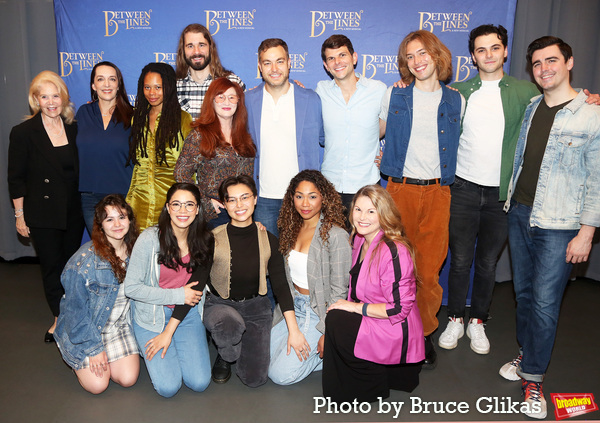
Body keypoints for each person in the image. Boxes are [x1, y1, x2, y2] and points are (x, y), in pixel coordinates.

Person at [440, 25, 600, 356]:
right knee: (459, 261)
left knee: (487, 264)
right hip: (464, 189)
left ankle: (478, 321)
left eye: (494, 48)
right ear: (472, 56)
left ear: (505, 51)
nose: (488, 55)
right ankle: (455, 317)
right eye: (481, 50)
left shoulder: (528, 91)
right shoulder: (456, 92)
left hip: (503, 195)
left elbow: (566, 101)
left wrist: (591, 98)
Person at [499, 36, 600, 419]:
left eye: (552, 60)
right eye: (538, 62)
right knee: (524, 297)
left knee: (544, 305)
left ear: (570, 62)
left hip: (560, 225)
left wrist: (587, 232)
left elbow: (597, 179)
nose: (544, 68)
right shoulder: (531, 107)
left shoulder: (591, 114)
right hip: (520, 213)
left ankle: (534, 380)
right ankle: (527, 355)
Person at [379, 30, 464, 369]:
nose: (417, 61)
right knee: (394, 269)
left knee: (428, 271)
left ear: (436, 55)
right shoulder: (394, 95)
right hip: (398, 190)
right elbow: (375, 131)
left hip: (439, 192)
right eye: (410, 57)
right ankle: (392, 331)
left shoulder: (457, 99)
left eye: (422, 53)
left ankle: (424, 333)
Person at [203, 175, 308, 387]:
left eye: (245, 198)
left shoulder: (269, 239)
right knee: (229, 325)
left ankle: (238, 343)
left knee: (255, 379)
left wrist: (294, 329)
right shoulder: (213, 237)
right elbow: (198, 278)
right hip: (221, 305)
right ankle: (226, 352)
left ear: (255, 199)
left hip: (256, 307)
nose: (239, 205)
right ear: (224, 204)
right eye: (232, 200)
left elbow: (281, 286)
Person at [323, 184, 425, 402]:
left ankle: (371, 387)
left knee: (337, 319)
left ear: (384, 214)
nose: (362, 217)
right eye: (358, 209)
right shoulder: (359, 240)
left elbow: (398, 308)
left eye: (371, 211)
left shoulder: (394, 250)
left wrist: (353, 307)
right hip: (376, 316)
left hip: (393, 325)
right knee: (336, 315)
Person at [8, 70, 85, 342]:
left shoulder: (74, 128)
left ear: (64, 99)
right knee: (52, 266)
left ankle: (75, 312)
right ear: (35, 100)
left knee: (72, 265)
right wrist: (20, 215)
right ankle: (58, 317)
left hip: (73, 211)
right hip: (43, 212)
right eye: (44, 96)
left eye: (56, 95)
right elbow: (16, 179)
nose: (51, 102)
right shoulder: (23, 133)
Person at [124, 183, 212, 398]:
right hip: (151, 315)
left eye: (189, 205)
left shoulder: (206, 240)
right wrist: (176, 295)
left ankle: (173, 342)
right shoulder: (149, 239)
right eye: (177, 204)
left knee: (199, 382)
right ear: (168, 208)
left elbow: (195, 291)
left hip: (186, 313)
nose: (183, 211)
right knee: (168, 388)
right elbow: (131, 287)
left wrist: (168, 332)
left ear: (197, 209)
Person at [269, 170, 351, 385]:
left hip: (318, 313)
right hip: (293, 306)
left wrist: (327, 332)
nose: (305, 203)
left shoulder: (336, 235)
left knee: (280, 376)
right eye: (299, 196)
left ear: (324, 198)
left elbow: (339, 292)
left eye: (312, 196)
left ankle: (336, 353)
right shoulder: (290, 228)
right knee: (262, 359)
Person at [54, 194, 140, 394]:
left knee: (128, 379)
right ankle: (72, 350)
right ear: (100, 225)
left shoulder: (137, 252)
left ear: (130, 220)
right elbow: (75, 314)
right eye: (109, 219)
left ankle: (109, 356)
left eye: (122, 217)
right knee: (98, 385)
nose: (117, 224)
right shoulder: (82, 263)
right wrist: (94, 349)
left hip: (116, 326)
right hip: (84, 330)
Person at [245, 38, 324, 237]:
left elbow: (328, 139)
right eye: (267, 62)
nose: (274, 68)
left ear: (289, 63)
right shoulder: (247, 100)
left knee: (301, 261)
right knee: (268, 263)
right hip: (263, 199)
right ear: (259, 67)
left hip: (301, 198)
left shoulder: (311, 99)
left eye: (279, 61)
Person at [316, 35, 387, 214]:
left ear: (354, 58)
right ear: (326, 65)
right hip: (330, 186)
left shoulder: (378, 90)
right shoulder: (321, 91)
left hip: (367, 185)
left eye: (342, 55)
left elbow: (384, 127)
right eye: (331, 58)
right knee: (331, 241)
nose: (337, 62)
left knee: (367, 242)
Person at [174, 77, 255, 228]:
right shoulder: (200, 135)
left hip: (244, 210)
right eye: (221, 97)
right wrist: (205, 202)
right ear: (211, 101)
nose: (226, 102)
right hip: (217, 214)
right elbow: (181, 173)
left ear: (238, 102)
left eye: (232, 97)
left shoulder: (246, 134)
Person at [127, 63, 193, 231]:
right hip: (138, 203)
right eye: (147, 87)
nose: (152, 93)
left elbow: (192, 165)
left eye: (158, 87)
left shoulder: (183, 119)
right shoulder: (137, 118)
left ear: (169, 87)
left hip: (172, 205)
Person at [76, 62, 134, 234]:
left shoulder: (133, 115)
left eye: (112, 79)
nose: (106, 84)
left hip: (123, 196)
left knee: (122, 250)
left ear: (119, 84)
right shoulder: (83, 113)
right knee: (101, 250)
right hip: (90, 197)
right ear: (94, 85)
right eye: (100, 79)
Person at [175, 23, 245, 119]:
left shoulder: (232, 82)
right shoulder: (175, 86)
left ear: (210, 48)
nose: (196, 52)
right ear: (183, 50)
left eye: (201, 45)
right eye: (190, 46)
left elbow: (244, 121)